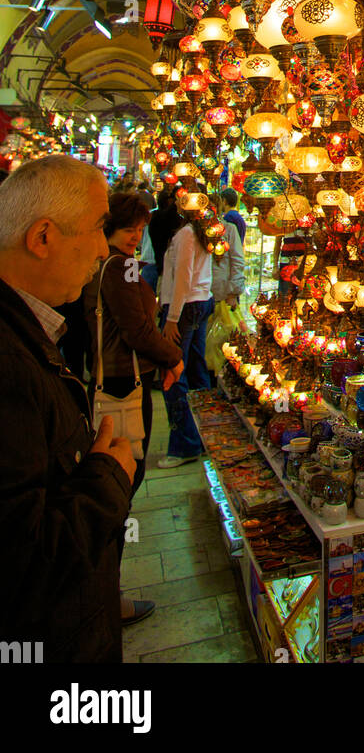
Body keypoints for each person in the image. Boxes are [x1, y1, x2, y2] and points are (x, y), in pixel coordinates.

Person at [0, 155, 135, 663]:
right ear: (42, 238)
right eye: (99, 228)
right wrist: (108, 477)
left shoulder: (27, 331)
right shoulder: (8, 366)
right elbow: (22, 561)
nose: (105, 248)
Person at [82, 192, 185, 622]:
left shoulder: (99, 264)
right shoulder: (120, 267)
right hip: (124, 386)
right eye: (129, 230)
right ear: (109, 230)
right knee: (120, 483)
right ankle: (107, 596)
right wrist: (173, 357)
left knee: (117, 482)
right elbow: (139, 330)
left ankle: (103, 591)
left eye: (141, 231)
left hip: (113, 380)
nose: (136, 238)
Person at [157, 215, 213, 466]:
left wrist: (172, 317)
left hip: (186, 307)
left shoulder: (188, 235)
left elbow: (183, 277)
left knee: (174, 373)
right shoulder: (199, 233)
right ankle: (204, 435)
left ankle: (184, 444)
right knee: (195, 369)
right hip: (198, 303)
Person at [147, 186, 183, 279]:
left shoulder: (155, 217)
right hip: (168, 270)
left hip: (163, 268)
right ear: (170, 201)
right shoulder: (164, 218)